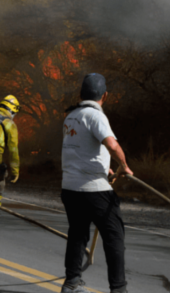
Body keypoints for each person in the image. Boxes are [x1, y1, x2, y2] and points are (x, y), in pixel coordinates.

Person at [60, 74, 133, 293]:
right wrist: (123, 166)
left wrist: (105, 169)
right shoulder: (96, 116)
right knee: (114, 236)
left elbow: (80, 150)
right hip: (93, 190)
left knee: (77, 234)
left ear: (80, 94)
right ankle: (118, 289)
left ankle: (71, 283)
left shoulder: (71, 116)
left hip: (70, 188)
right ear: (105, 96)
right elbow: (112, 144)